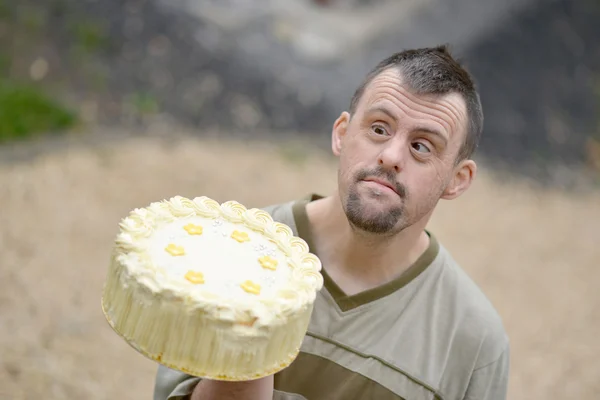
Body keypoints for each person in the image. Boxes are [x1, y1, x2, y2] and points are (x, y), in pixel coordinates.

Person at [153, 45, 510, 400]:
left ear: (457, 179)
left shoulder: (474, 340)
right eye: (380, 129)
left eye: (421, 146)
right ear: (342, 133)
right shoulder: (232, 253)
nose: (391, 156)